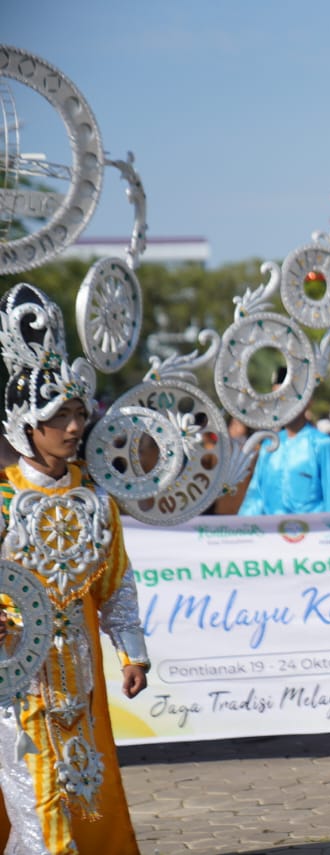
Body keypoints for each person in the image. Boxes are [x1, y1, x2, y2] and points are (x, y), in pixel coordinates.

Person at [0, 283, 150, 853]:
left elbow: (116, 585)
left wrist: (132, 652)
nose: (72, 426)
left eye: (77, 413)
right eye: (57, 415)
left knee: (79, 794)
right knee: (38, 801)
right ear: (25, 426)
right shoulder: (4, 502)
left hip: (79, 679)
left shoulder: (97, 504)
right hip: (17, 680)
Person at [238, 369, 330, 515]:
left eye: (286, 398)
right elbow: (256, 498)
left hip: (312, 533)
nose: (281, 405)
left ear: (307, 401)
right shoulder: (269, 447)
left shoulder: (322, 445)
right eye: (276, 399)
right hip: (272, 533)